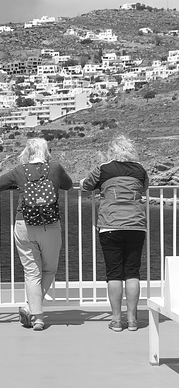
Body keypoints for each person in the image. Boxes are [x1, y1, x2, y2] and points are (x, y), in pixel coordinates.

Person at [0, 138, 72, 331]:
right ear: (46, 152)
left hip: (24, 223)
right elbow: (68, 185)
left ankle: (37, 316)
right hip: (50, 225)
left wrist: (17, 186)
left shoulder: (20, 170)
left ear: (27, 152)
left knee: (31, 272)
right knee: (49, 270)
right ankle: (31, 310)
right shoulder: (55, 167)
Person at [80, 135, 148, 332]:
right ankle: (133, 320)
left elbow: (85, 186)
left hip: (110, 225)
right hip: (136, 225)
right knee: (133, 273)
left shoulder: (104, 168)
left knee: (114, 274)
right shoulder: (140, 169)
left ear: (112, 151)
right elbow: (144, 188)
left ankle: (117, 320)